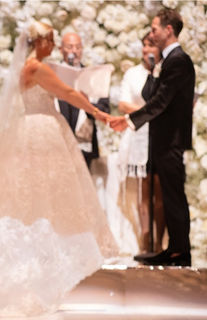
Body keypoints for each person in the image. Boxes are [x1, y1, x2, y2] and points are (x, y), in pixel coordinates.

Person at [0, 21, 118, 317]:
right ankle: (44, 266)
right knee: (45, 193)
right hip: (42, 130)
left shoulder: (31, 66)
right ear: (39, 42)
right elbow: (67, 92)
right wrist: (99, 114)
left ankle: (49, 256)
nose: (53, 46)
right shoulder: (36, 68)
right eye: (50, 40)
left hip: (38, 127)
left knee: (43, 193)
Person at [110, 8, 195, 267]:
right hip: (161, 140)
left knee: (173, 195)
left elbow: (160, 102)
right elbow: (151, 95)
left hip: (171, 140)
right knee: (167, 196)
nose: (151, 33)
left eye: (155, 28)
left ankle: (180, 250)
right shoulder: (165, 62)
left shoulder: (178, 60)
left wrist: (128, 121)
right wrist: (152, 66)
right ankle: (174, 248)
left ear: (169, 30)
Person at [117, 33, 166, 253]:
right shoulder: (133, 74)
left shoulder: (165, 72)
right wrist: (149, 112)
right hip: (139, 134)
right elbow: (123, 104)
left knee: (160, 190)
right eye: (144, 46)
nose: (147, 50)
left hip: (161, 135)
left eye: (152, 45)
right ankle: (145, 241)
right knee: (143, 191)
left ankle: (160, 242)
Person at [56, 32, 111, 169]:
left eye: (78, 47)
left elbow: (105, 109)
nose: (74, 51)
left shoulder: (93, 75)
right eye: (70, 47)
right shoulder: (52, 75)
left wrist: (88, 104)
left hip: (83, 142)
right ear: (60, 49)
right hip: (57, 141)